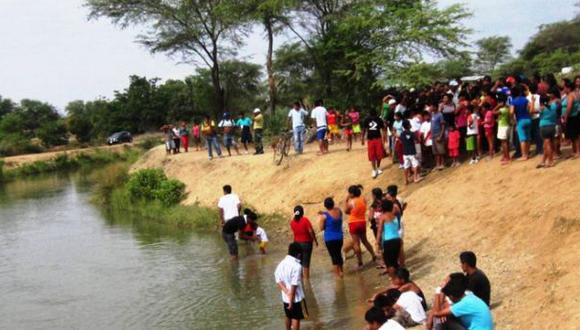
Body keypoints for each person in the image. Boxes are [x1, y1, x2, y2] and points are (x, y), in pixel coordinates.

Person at [275, 242, 307, 330]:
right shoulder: (297, 266)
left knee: (288, 316)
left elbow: (278, 279)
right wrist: (291, 300)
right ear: (298, 254)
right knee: (296, 317)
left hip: (285, 297)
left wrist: (286, 291)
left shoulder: (282, 263)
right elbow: (294, 284)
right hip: (295, 298)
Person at [345, 185, 376, 269]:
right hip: (362, 221)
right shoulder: (363, 199)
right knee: (365, 240)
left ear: (351, 193)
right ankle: (373, 254)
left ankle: (360, 262)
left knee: (356, 243)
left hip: (353, 222)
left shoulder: (351, 202)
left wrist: (346, 200)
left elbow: (346, 211)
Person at [290, 205, 318, 280]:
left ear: (294, 213)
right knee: (306, 263)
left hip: (296, 244)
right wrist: (315, 240)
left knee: (298, 262)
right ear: (302, 212)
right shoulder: (305, 220)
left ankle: (300, 279)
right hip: (306, 244)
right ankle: (306, 281)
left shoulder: (292, 222)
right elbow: (310, 231)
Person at [318, 197, 344, 277]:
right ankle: (341, 272)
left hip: (330, 239)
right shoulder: (339, 211)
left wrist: (322, 216)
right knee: (339, 254)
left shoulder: (324, 216)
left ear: (325, 206)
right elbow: (333, 212)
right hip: (339, 237)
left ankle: (337, 277)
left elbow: (321, 228)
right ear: (333, 203)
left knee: (333, 257)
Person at [375, 199, 401, 277]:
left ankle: (393, 279)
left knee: (389, 263)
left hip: (388, 241)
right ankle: (398, 277)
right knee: (395, 261)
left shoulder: (382, 217)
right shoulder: (395, 216)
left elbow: (379, 230)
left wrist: (377, 242)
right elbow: (398, 227)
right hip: (397, 239)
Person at [361, 109, 387, 178]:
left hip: (371, 139)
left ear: (369, 113)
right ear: (376, 113)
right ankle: (377, 168)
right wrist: (385, 137)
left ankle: (374, 169)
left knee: (373, 155)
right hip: (377, 138)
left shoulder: (367, 119)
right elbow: (383, 128)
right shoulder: (378, 119)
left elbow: (363, 130)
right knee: (378, 154)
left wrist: (362, 138)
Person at [538, 90, 560, 168]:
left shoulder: (542, 108)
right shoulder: (554, 106)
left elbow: (531, 111)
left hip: (544, 127)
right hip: (552, 126)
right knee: (546, 145)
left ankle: (550, 161)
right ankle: (543, 161)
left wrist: (533, 102)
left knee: (547, 145)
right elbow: (558, 101)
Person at [510, 85, 532, 160]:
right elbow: (530, 108)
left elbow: (512, 112)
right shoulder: (525, 99)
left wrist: (513, 120)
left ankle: (524, 155)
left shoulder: (513, 101)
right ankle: (528, 153)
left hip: (520, 120)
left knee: (522, 139)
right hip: (528, 119)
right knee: (528, 137)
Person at [562, 77, 580, 158]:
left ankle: (578, 151)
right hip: (574, 116)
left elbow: (569, 107)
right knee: (573, 135)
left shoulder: (570, 95)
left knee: (575, 136)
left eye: (564, 88)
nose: (564, 89)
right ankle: (575, 151)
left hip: (572, 117)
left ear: (568, 88)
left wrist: (565, 117)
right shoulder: (575, 94)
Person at [400, 120, 422, 184]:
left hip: (405, 152)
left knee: (406, 166)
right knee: (415, 165)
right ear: (408, 125)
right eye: (409, 124)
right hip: (412, 152)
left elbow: (401, 141)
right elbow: (417, 140)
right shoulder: (412, 133)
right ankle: (415, 178)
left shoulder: (402, 133)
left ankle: (406, 180)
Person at [493, 96, 511, 165]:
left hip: (503, 127)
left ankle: (507, 157)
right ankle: (505, 156)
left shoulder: (502, 110)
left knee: (504, 143)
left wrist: (497, 106)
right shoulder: (507, 108)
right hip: (506, 125)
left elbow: (492, 112)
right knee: (504, 142)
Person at [431, 101, 447, 170]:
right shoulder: (432, 114)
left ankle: (443, 164)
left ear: (435, 107)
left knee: (441, 150)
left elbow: (443, 125)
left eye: (432, 106)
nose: (431, 108)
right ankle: (437, 164)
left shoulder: (440, 115)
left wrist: (441, 135)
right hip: (433, 135)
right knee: (436, 152)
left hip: (438, 134)